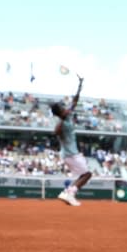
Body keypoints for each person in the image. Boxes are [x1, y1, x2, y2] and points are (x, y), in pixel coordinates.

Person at [51, 75, 92, 206]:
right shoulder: (61, 122)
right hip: (71, 154)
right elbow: (55, 132)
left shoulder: (67, 115)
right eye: (62, 109)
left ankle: (68, 193)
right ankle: (70, 193)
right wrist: (60, 124)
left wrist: (80, 85)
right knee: (87, 174)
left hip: (70, 154)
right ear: (59, 113)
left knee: (83, 175)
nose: (65, 109)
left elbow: (74, 101)